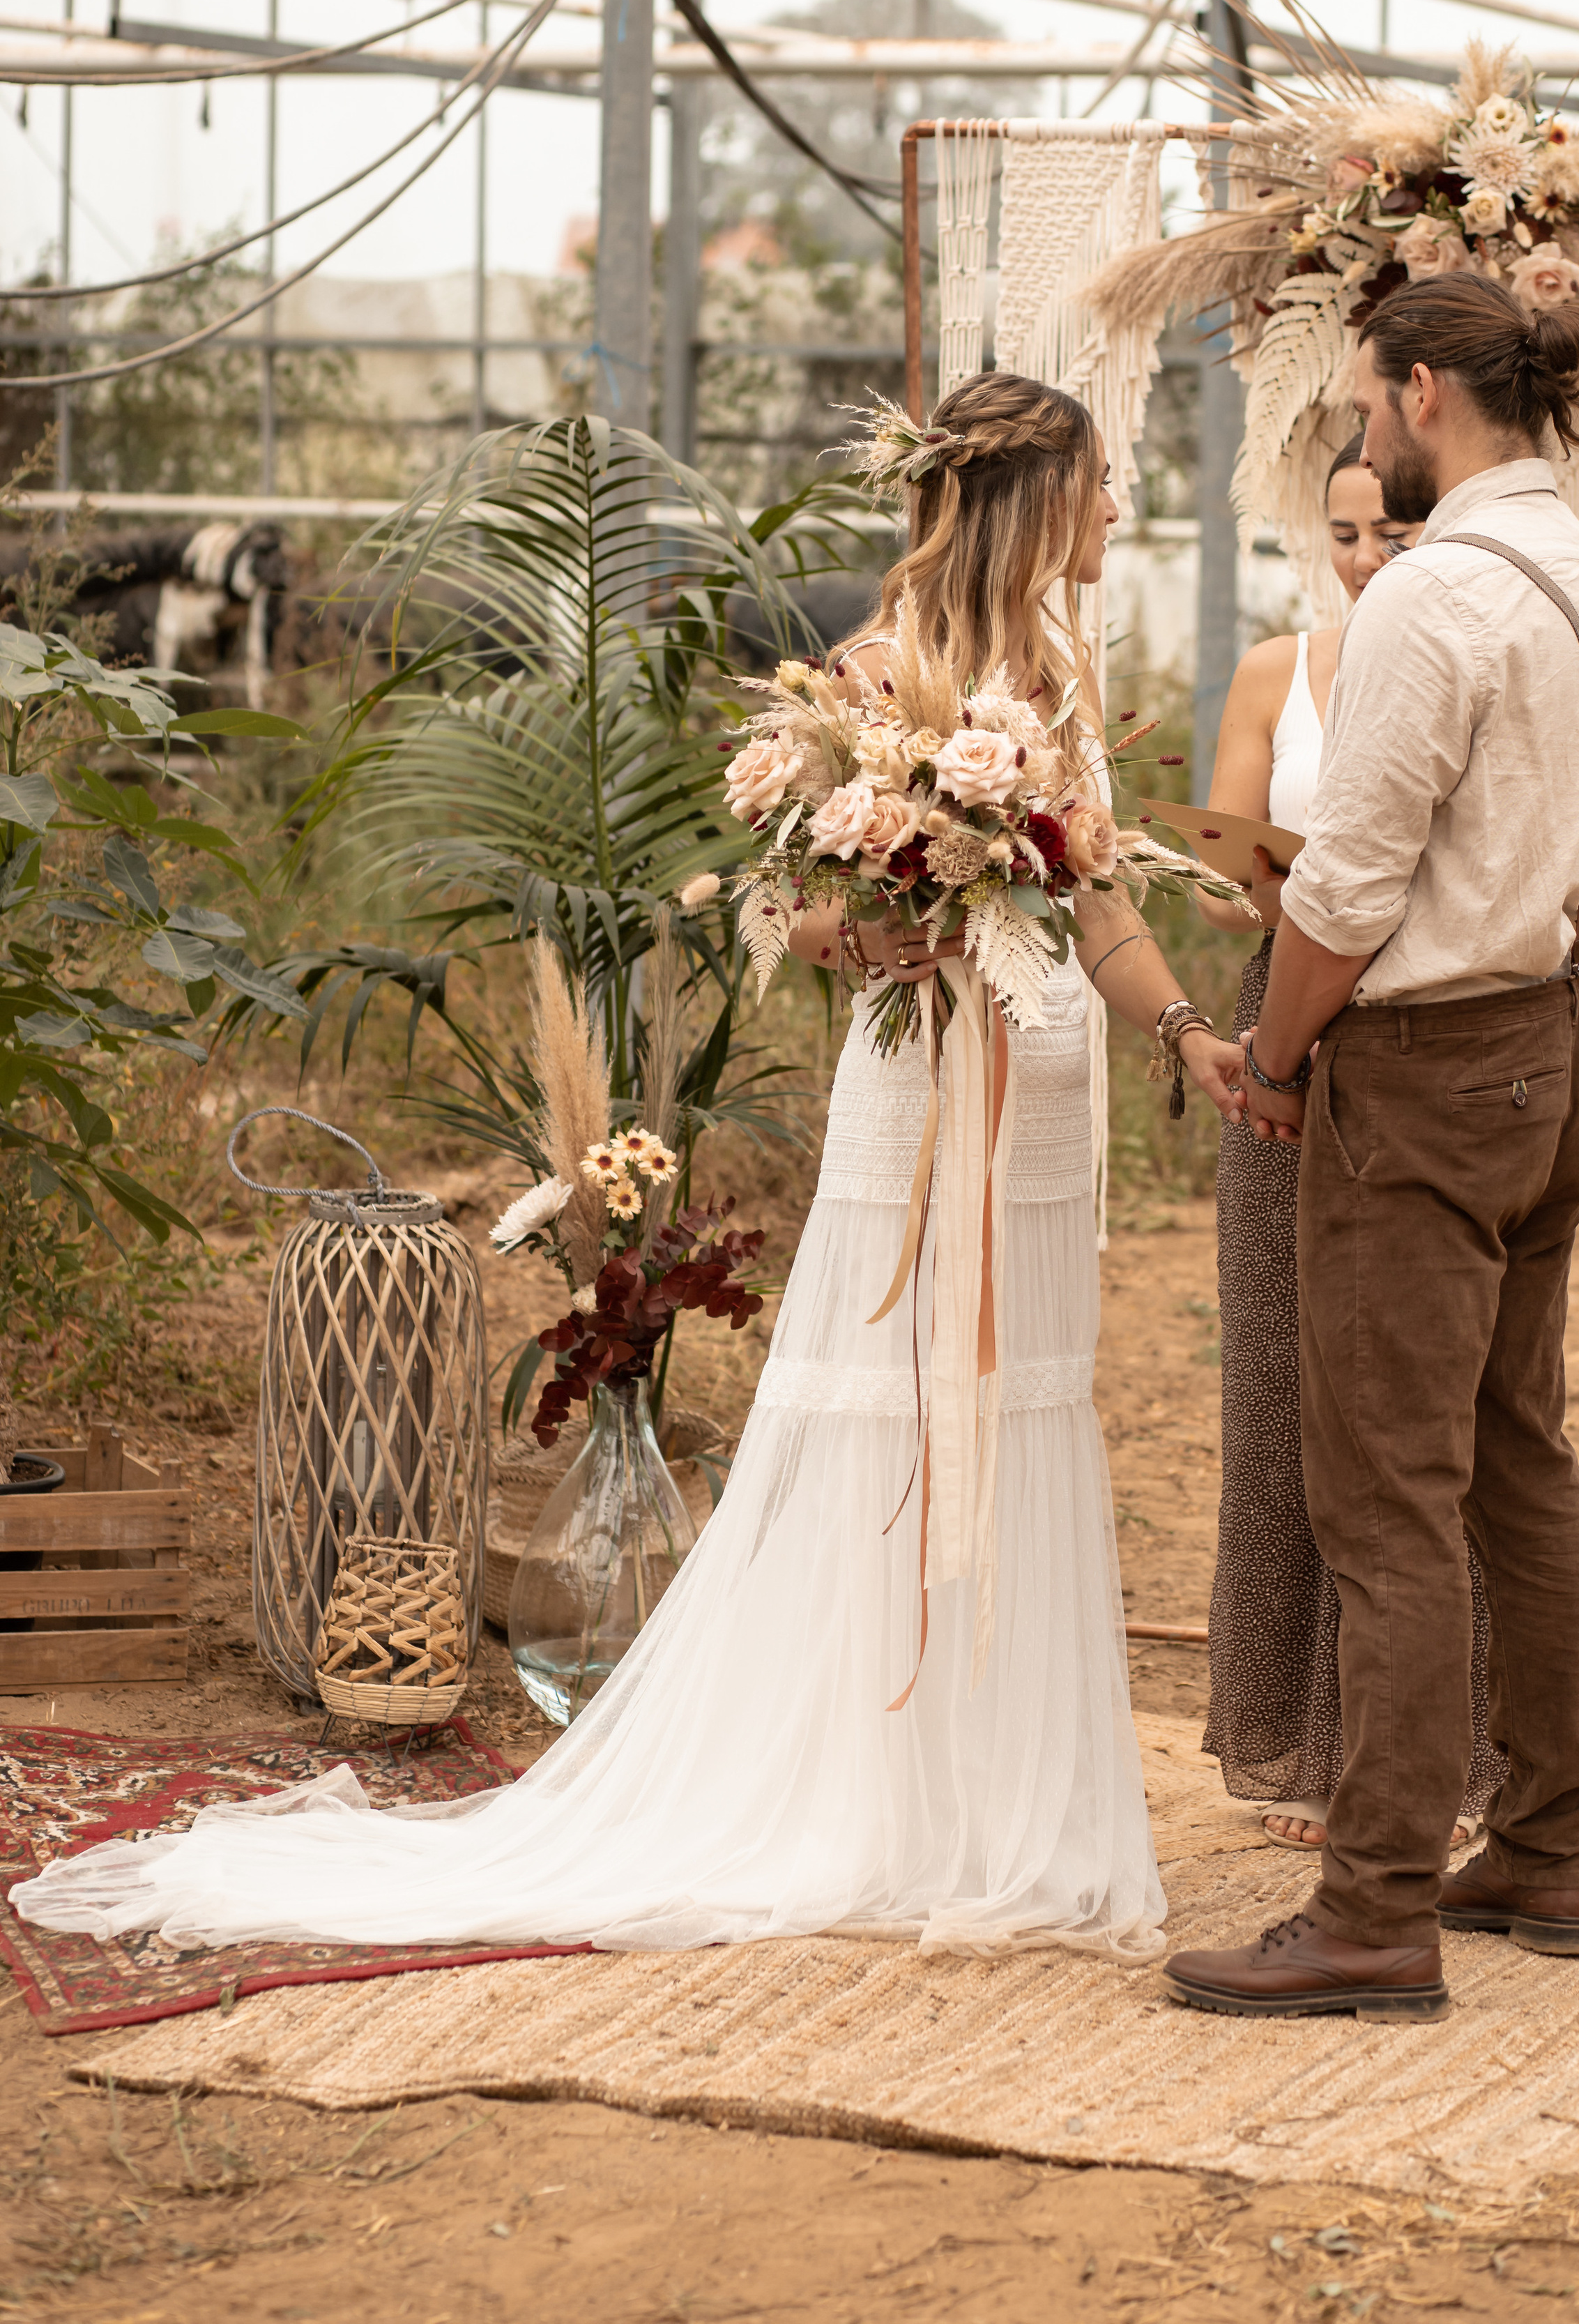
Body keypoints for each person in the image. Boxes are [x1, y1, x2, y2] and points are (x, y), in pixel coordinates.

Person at [13, 372, 1245, 1968]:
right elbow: (772, 904)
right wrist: (855, 925)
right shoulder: (871, 678)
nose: (1115, 509)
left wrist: (1189, 1033)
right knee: (889, 1397)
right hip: (918, 1093)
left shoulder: (1061, 691)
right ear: (1022, 499)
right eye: (1096, 484)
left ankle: (996, 1803)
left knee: (1021, 1400)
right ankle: (873, 1790)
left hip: (1043, 1107)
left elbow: (1105, 911)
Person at [1161, 271, 1579, 2024]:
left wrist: (1277, 1052)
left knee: (1381, 1493)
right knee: (1517, 1455)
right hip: (1556, 1042)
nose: (1364, 427)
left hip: (1426, 1069)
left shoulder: (1432, 594)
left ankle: (1370, 1907)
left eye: (1373, 397)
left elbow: (1350, 879)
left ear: (1431, 388)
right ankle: (1543, 1843)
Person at [1195, 437, 1504, 1855]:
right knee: (1278, 1376)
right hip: (1286, 1013)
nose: (1362, 556)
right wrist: (1251, 882)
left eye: (1385, 530)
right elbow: (1220, 884)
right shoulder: (1276, 673)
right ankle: (1301, 1741)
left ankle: (1419, 1754)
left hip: (1422, 1024)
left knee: (1409, 1397)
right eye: (1340, 534)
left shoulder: (1465, 654)